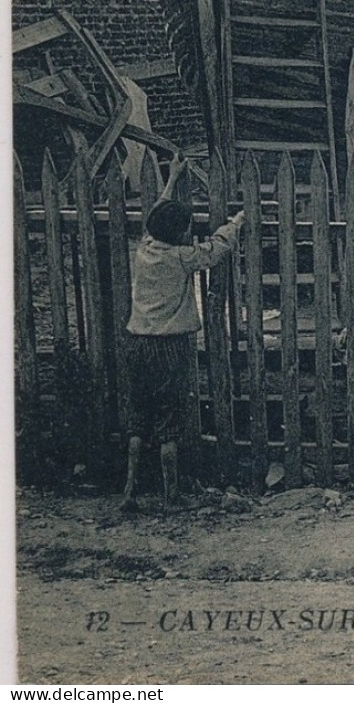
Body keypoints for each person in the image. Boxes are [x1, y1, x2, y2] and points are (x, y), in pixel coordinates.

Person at [122, 179, 246, 513]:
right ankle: (171, 496)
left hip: (136, 342)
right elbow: (216, 249)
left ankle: (130, 492)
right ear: (179, 234)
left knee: (138, 415)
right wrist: (235, 224)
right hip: (169, 346)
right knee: (169, 419)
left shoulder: (145, 248)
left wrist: (172, 178)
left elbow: (154, 216)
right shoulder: (181, 257)